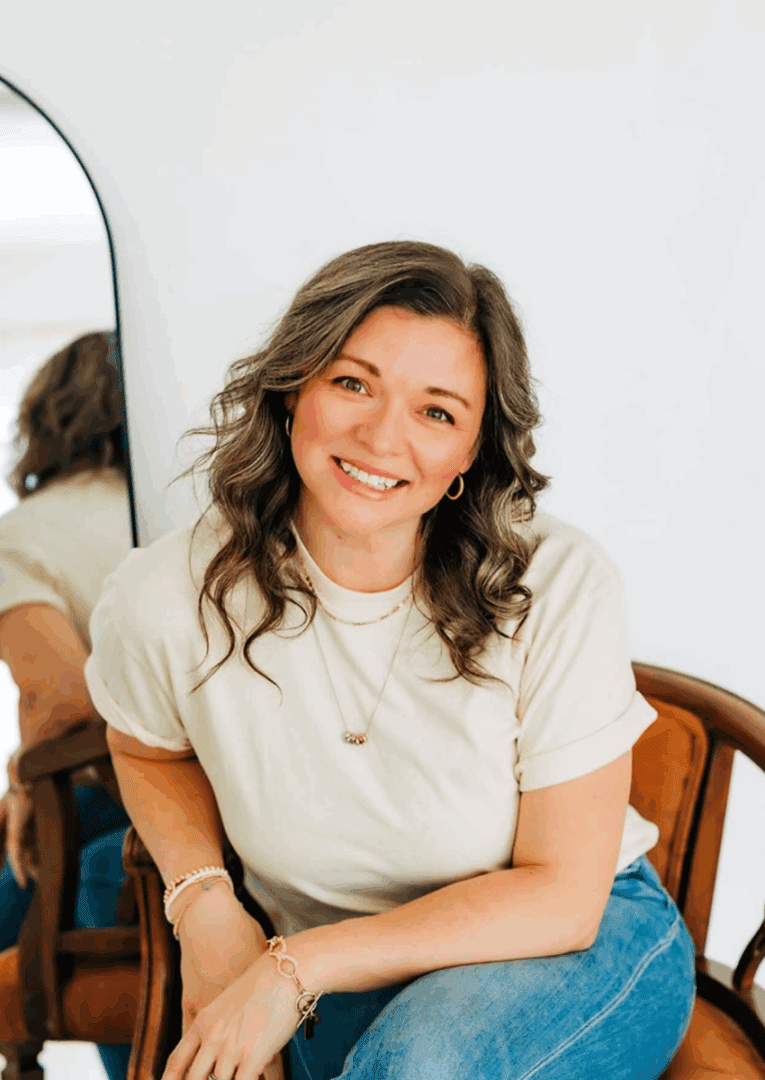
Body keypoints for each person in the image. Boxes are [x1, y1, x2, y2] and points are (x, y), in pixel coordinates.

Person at [85, 242, 696, 1080]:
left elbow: (561, 895)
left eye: (436, 412)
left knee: (419, 1063)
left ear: (470, 453)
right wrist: (205, 904)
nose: (380, 437)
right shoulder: (166, 594)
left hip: (564, 943)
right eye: (352, 383)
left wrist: (292, 969)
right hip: (333, 961)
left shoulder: (556, 582)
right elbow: (148, 747)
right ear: (292, 389)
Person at [0, 330, 133, 1080]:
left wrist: (24, 781)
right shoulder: (202, 511)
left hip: (117, 801)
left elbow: (62, 704)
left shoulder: (23, 536)